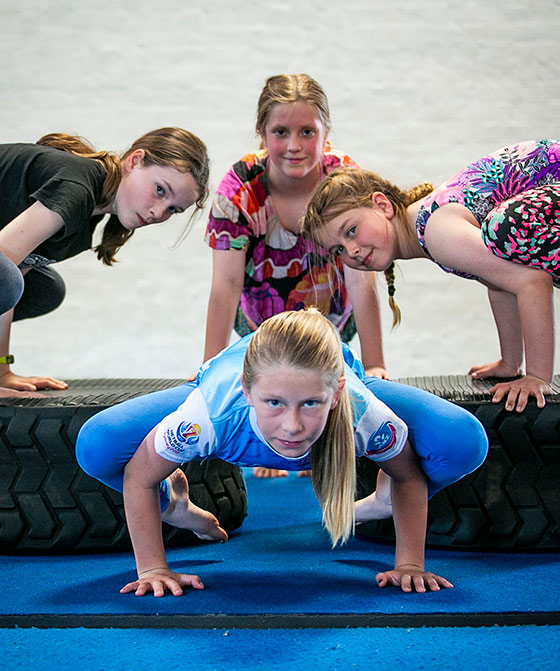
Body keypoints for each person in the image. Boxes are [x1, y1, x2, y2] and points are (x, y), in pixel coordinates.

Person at [76, 308, 488, 597]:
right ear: (248, 393)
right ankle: (176, 502)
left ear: (336, 394)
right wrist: (152, 568)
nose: (292, 426)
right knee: (97, 445)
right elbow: (139, 475)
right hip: (230, 379)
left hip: (323, 369)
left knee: (463, 441)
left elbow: (409, 475)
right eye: (275, 404)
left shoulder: (360, 413)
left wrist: (409, 564)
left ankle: (383, 501)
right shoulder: (210, 414)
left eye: (310, 405)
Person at [203, 73, 388, 477]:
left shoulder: (344, 179)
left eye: (307, 132)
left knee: (320, 389)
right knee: (278, 389)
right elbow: (226, 284)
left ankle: (315, 446)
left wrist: (374, 365)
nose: (293, 146)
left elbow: (362, 276)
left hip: (334, 315)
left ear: (327, 131)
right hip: (260, 321)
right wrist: (208, 369)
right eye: (280, 132)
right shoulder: (240, 188)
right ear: (261, 133)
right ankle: (274, 446)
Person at [303, 139, 560, 413]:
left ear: (382, 205)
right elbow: (500, 282)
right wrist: (510, 364)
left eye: (351, 230)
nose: (351, 251)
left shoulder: (437, 232)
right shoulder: (429, 224)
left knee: (503, 230)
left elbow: (533, 282)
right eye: (338, 249)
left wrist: (537, 377)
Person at [0, 127, 209, 397]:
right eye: (159, 190)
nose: (158, 212)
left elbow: (10, 286)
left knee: (45, 289)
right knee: (9, 279)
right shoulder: (77, 188)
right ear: (134, 161)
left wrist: (3, 372)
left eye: (173, 209)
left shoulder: (88, 219)